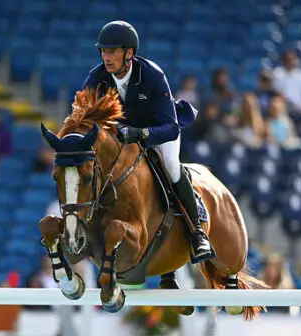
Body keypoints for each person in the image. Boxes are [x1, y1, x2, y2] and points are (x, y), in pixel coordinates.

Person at [80, 21, 214, 263]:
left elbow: (171, 128)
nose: (106, 57)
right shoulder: (96, 77)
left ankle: (197, 232)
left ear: (129, 53)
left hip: (157, 131)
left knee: (171, 165)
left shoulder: (152, 75)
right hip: (120, 137)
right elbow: (84, 118)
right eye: (103, 51)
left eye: (112, 52)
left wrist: (141, 135)